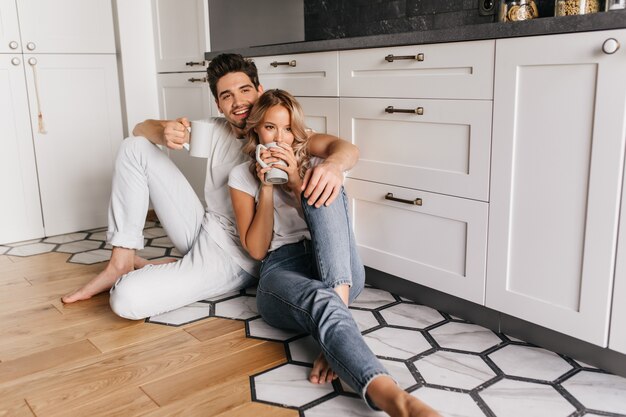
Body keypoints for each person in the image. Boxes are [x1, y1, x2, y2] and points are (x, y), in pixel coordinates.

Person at [61, 54, 360, 324]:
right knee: (134, 147)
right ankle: (121, 261)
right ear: (218, 104)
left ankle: (178, 271)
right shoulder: (213, 129)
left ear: (259, 90)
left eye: (244, 90)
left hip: (236, 255)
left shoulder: (282, 134)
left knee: (126, 299)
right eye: (226, 96)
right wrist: (163, 132)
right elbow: (140, 128)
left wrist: (334, 164)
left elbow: (344, 148)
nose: (238, 102)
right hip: (203, 228)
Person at [228, 89, 440, 417]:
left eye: (287, 129)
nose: (279, 138)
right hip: (280, 271)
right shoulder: (241, 176)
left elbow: (347, 151)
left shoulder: (309, 158)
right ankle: (401, 402)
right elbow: (257, 249)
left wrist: (297, 179)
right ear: (256, 128)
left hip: (336, 264)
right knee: (322, 300)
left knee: (324, 180)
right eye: (270, 128)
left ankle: (335, 322)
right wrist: (267, 186)